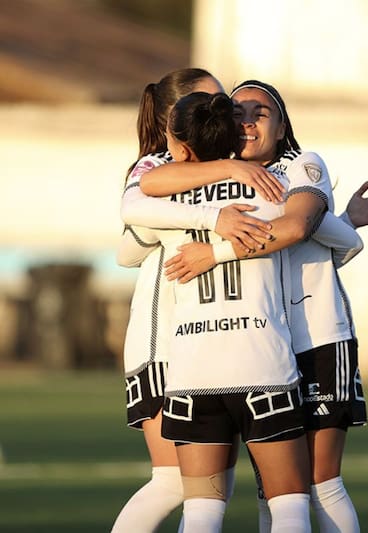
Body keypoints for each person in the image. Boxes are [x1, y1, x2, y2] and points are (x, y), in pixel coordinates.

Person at [138, 79, 368, 533]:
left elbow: (298, 227)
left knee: (319, 483)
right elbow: (329, 237)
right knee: (279, 493)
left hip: (316, 337)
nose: (246, 121)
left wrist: (213, 250)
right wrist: (341, 226)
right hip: (263, 346)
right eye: (235, 113)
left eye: (260, 112)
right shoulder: (234, 175)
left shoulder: (300, 165)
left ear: (282, 128)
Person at [112, 68, 283, 533]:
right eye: (214, 101)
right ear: (177, 117)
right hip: (162, 344)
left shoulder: (240, 167)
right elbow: (130, 236)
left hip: (207, 345)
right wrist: (214, 214)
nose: (224, 110)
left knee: (222, 492)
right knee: (173, 482)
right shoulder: (154, 167)